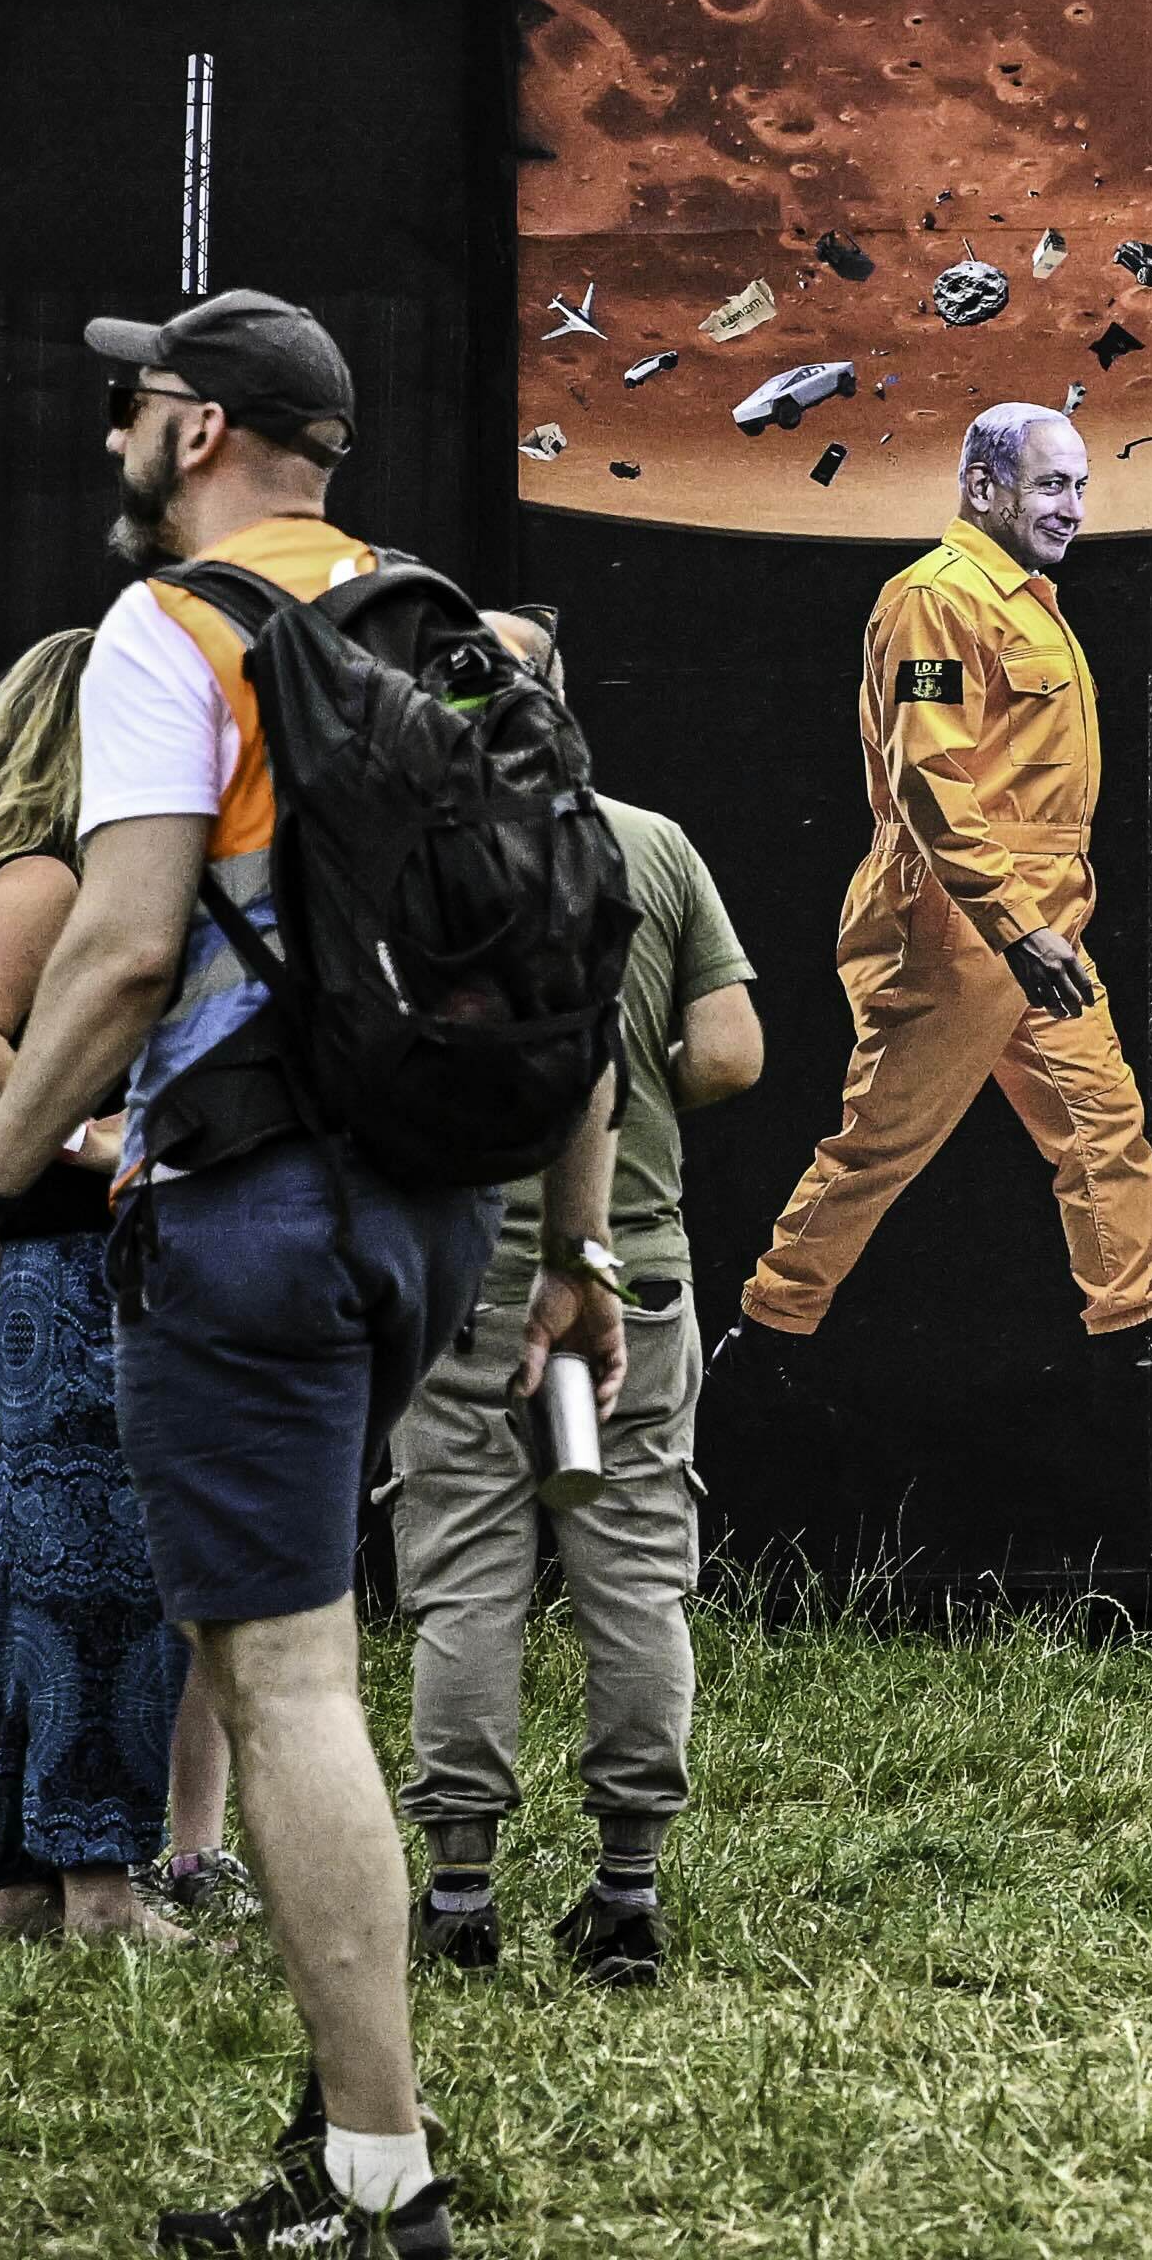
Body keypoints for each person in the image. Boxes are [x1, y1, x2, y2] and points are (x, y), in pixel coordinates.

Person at [0, 289, 628, 2260]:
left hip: (250, 1201)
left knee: (284, 1683)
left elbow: (119, 953)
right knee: (297, 1667)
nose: (120, 429)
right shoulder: (450, 623)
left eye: (136, 401)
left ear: (198, 427)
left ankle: (383, 2189)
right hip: (426, 1211)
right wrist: (582, 1247)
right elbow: (560, 945)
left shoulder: (170, 630)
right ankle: (342, 2118)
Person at [388, 613, 757, 1984]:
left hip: (459, 1277)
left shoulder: (403, 854)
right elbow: (730, 1051)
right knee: (635, 1575)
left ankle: (458, 1897)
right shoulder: (649, 848)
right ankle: (629, 1893)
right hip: (633, 1271)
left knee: (464, 1579)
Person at [737, 406, 1152, 1395]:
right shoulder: (935, 599)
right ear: (982, 486)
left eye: (1082, 486)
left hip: (1038, 919)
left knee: (1103, 1121)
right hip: (959, 919)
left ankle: (1128, 1337)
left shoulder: (1022, 599)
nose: (1075, 509)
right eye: (1053, 484)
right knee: (881, 1139)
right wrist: (1012, 927)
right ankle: (765, 1338)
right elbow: (932, 780)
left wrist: (1035, 925)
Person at [0, 627, 220, 1946]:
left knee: (53, 1573)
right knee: (106, 1575)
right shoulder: (49, 879)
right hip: (87, 1272)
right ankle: (96, 1887)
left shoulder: (45, 872)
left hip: (63, 1269)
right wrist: (111, 1148)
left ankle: (25, 1882)